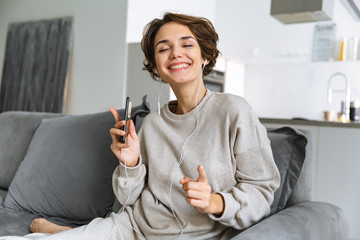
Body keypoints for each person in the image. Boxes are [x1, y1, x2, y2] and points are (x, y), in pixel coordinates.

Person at [26, 12, 280, 240]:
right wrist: (130, 163)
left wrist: (215, 202)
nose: (175, 53)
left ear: (205, 55)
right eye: (163, 48)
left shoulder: (234, 111)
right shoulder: (152, 124)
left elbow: (261, 192)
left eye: (187, 44)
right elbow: (128, 199)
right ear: (156, 65)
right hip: (133, 229)